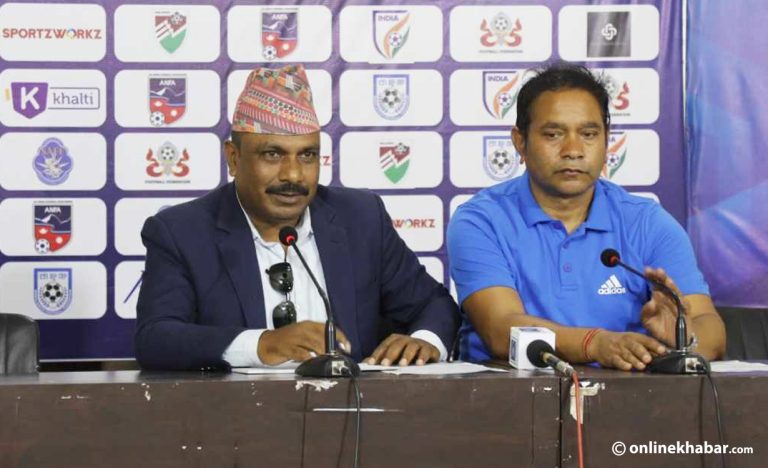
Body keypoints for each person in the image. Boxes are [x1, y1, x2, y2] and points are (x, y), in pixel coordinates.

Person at [136, 65, 460, 371]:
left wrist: (424, 341)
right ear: (233, 158)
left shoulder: (361, 219)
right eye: (272, 154)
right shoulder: (182, 232)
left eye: (307, 155)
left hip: (353, 408)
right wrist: (262, 344)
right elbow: (157, 338)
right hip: (236, 410)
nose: (293, 175)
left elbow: (433, 304)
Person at [447, 63, 725, 371]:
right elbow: (501, 330)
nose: (573, 150)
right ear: (520, 141)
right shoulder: (481, 220)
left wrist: (683, 337)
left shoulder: (648, 223)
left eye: (589, 134)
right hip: (509, 395)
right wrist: (595, 343)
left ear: (607, 141)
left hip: (628, 395)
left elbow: (711, 331)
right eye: (553, 134)